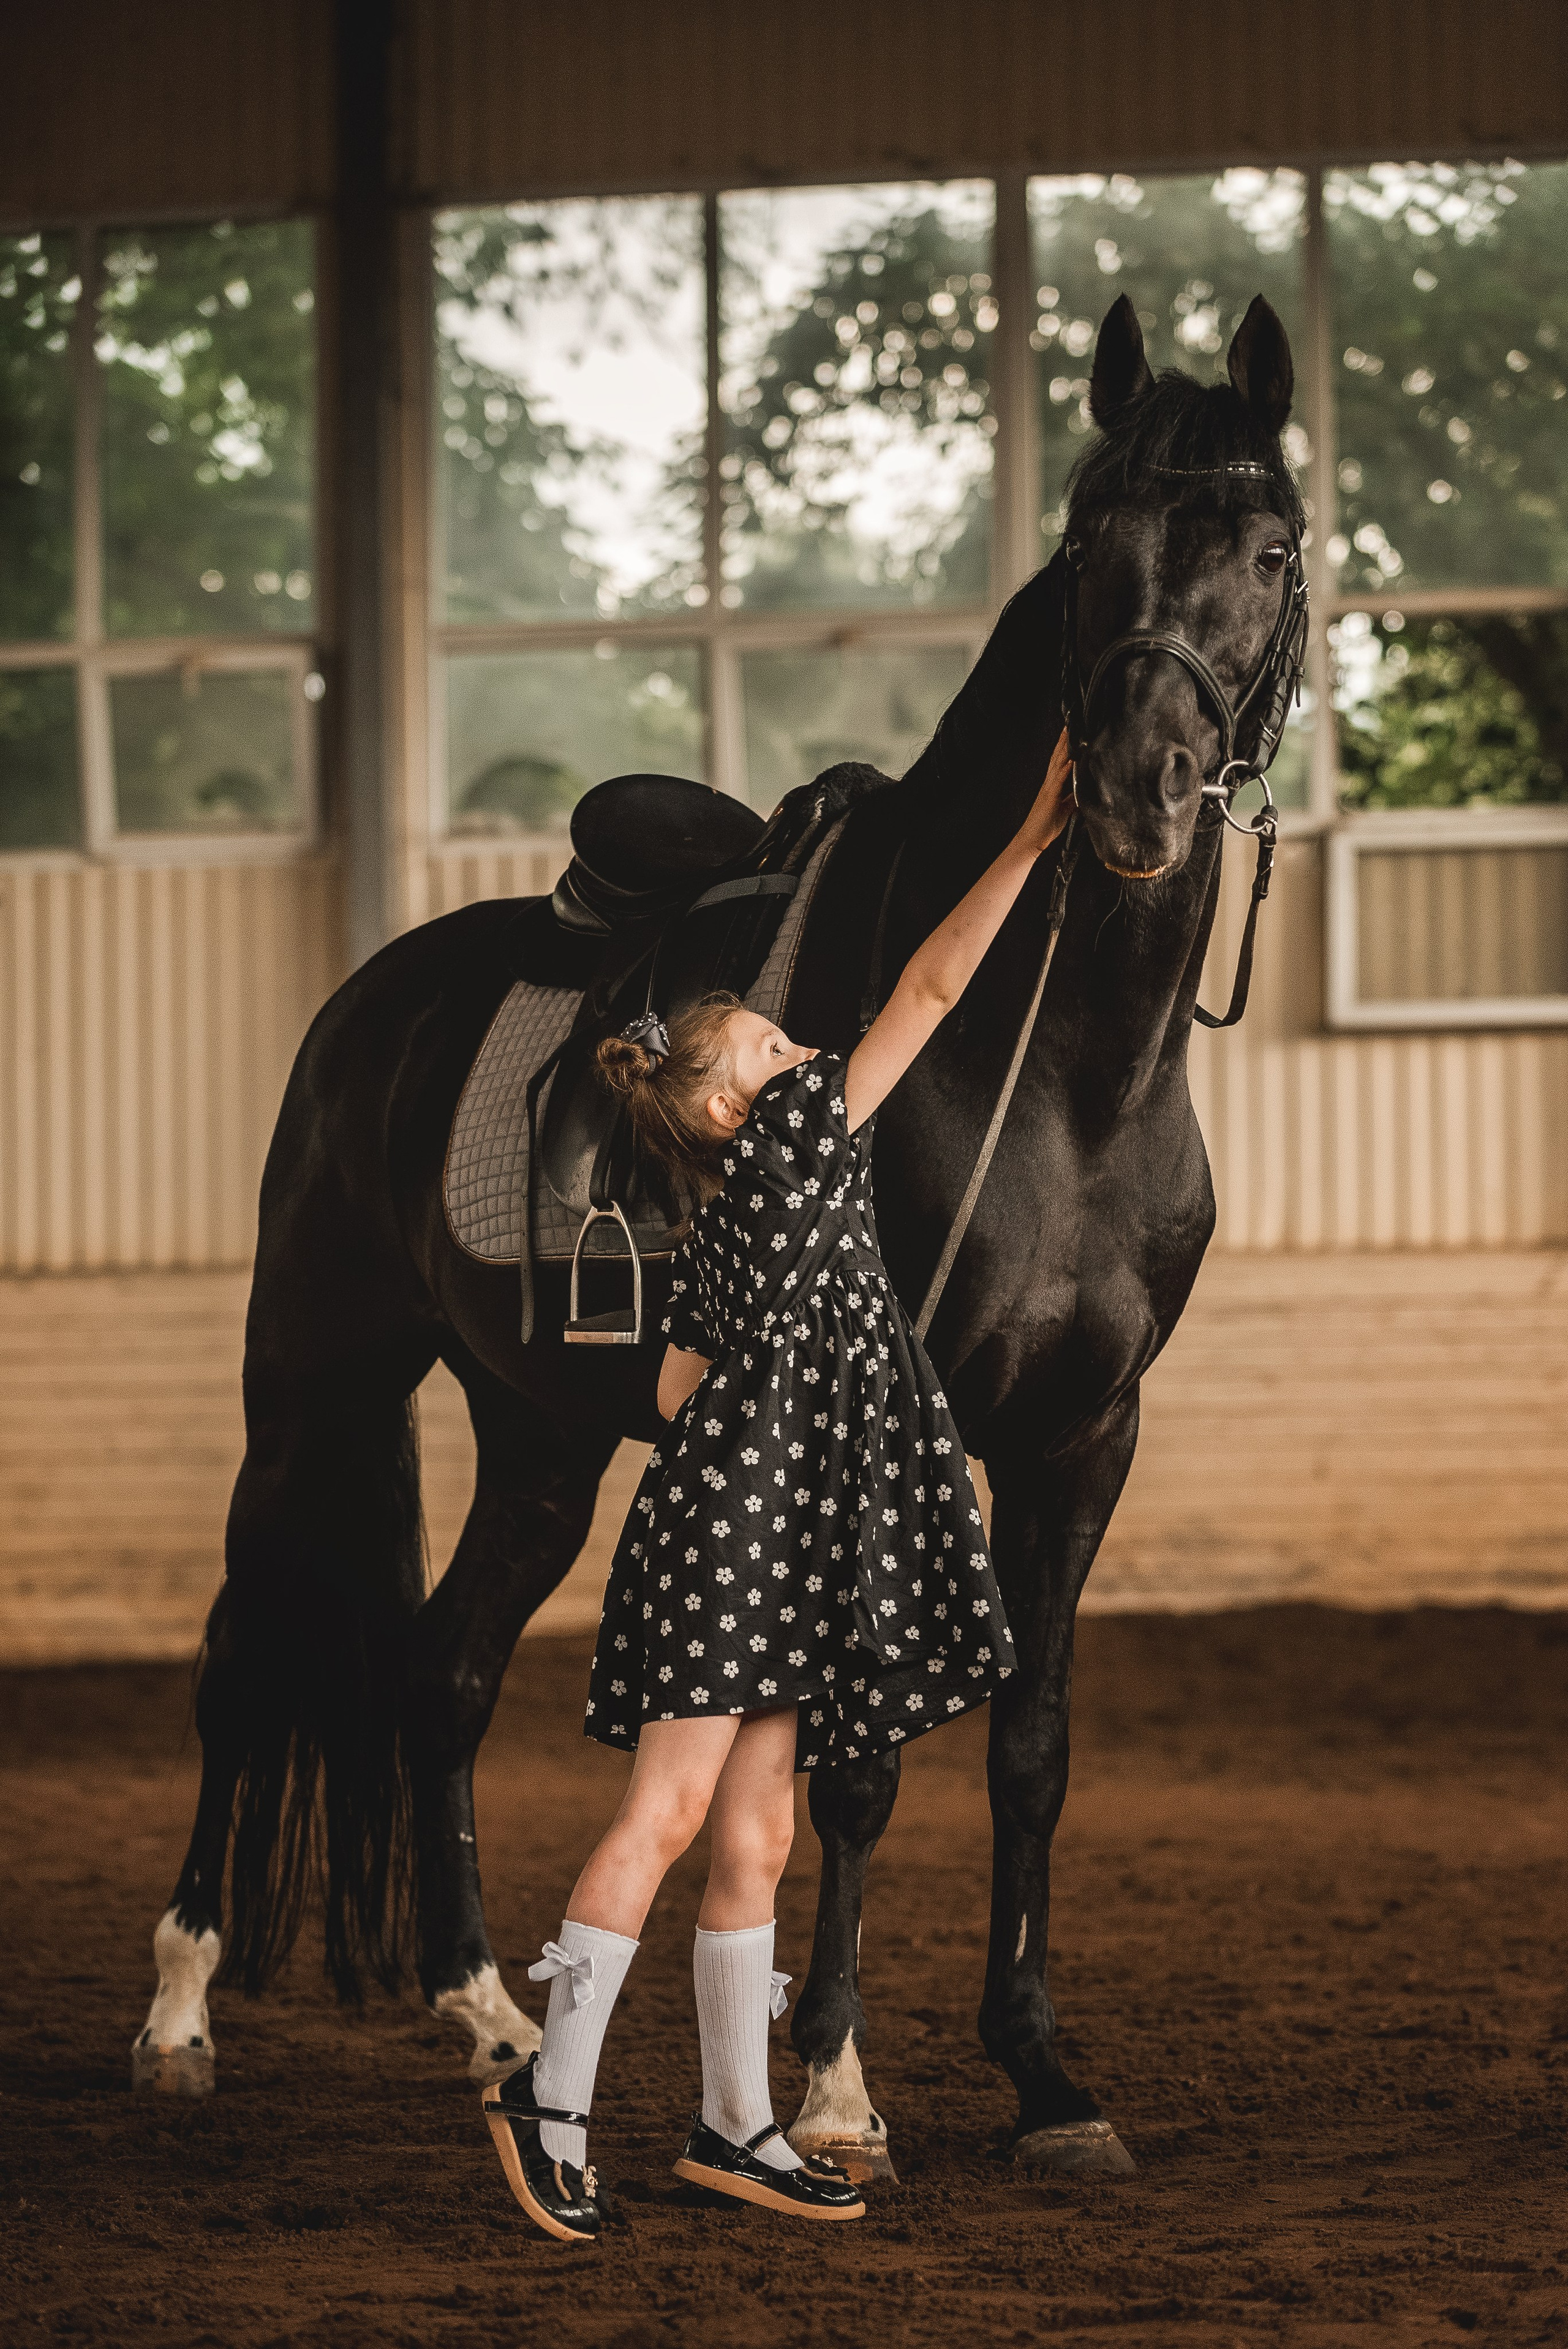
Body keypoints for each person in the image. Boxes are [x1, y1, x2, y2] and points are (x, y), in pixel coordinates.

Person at [482, 733, 1076, 2243]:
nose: (799, 1046)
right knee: (668, 1817)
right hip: (748, 1540)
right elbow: (932, 992)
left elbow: (677, 1394)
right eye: (766, 1046)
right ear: (738, 1111)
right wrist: (1025, 843)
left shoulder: (722, 1228)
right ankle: (544, 2100)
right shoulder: (809, 1139)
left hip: (764, 1532)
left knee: (754, 1838)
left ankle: (734, 2123)